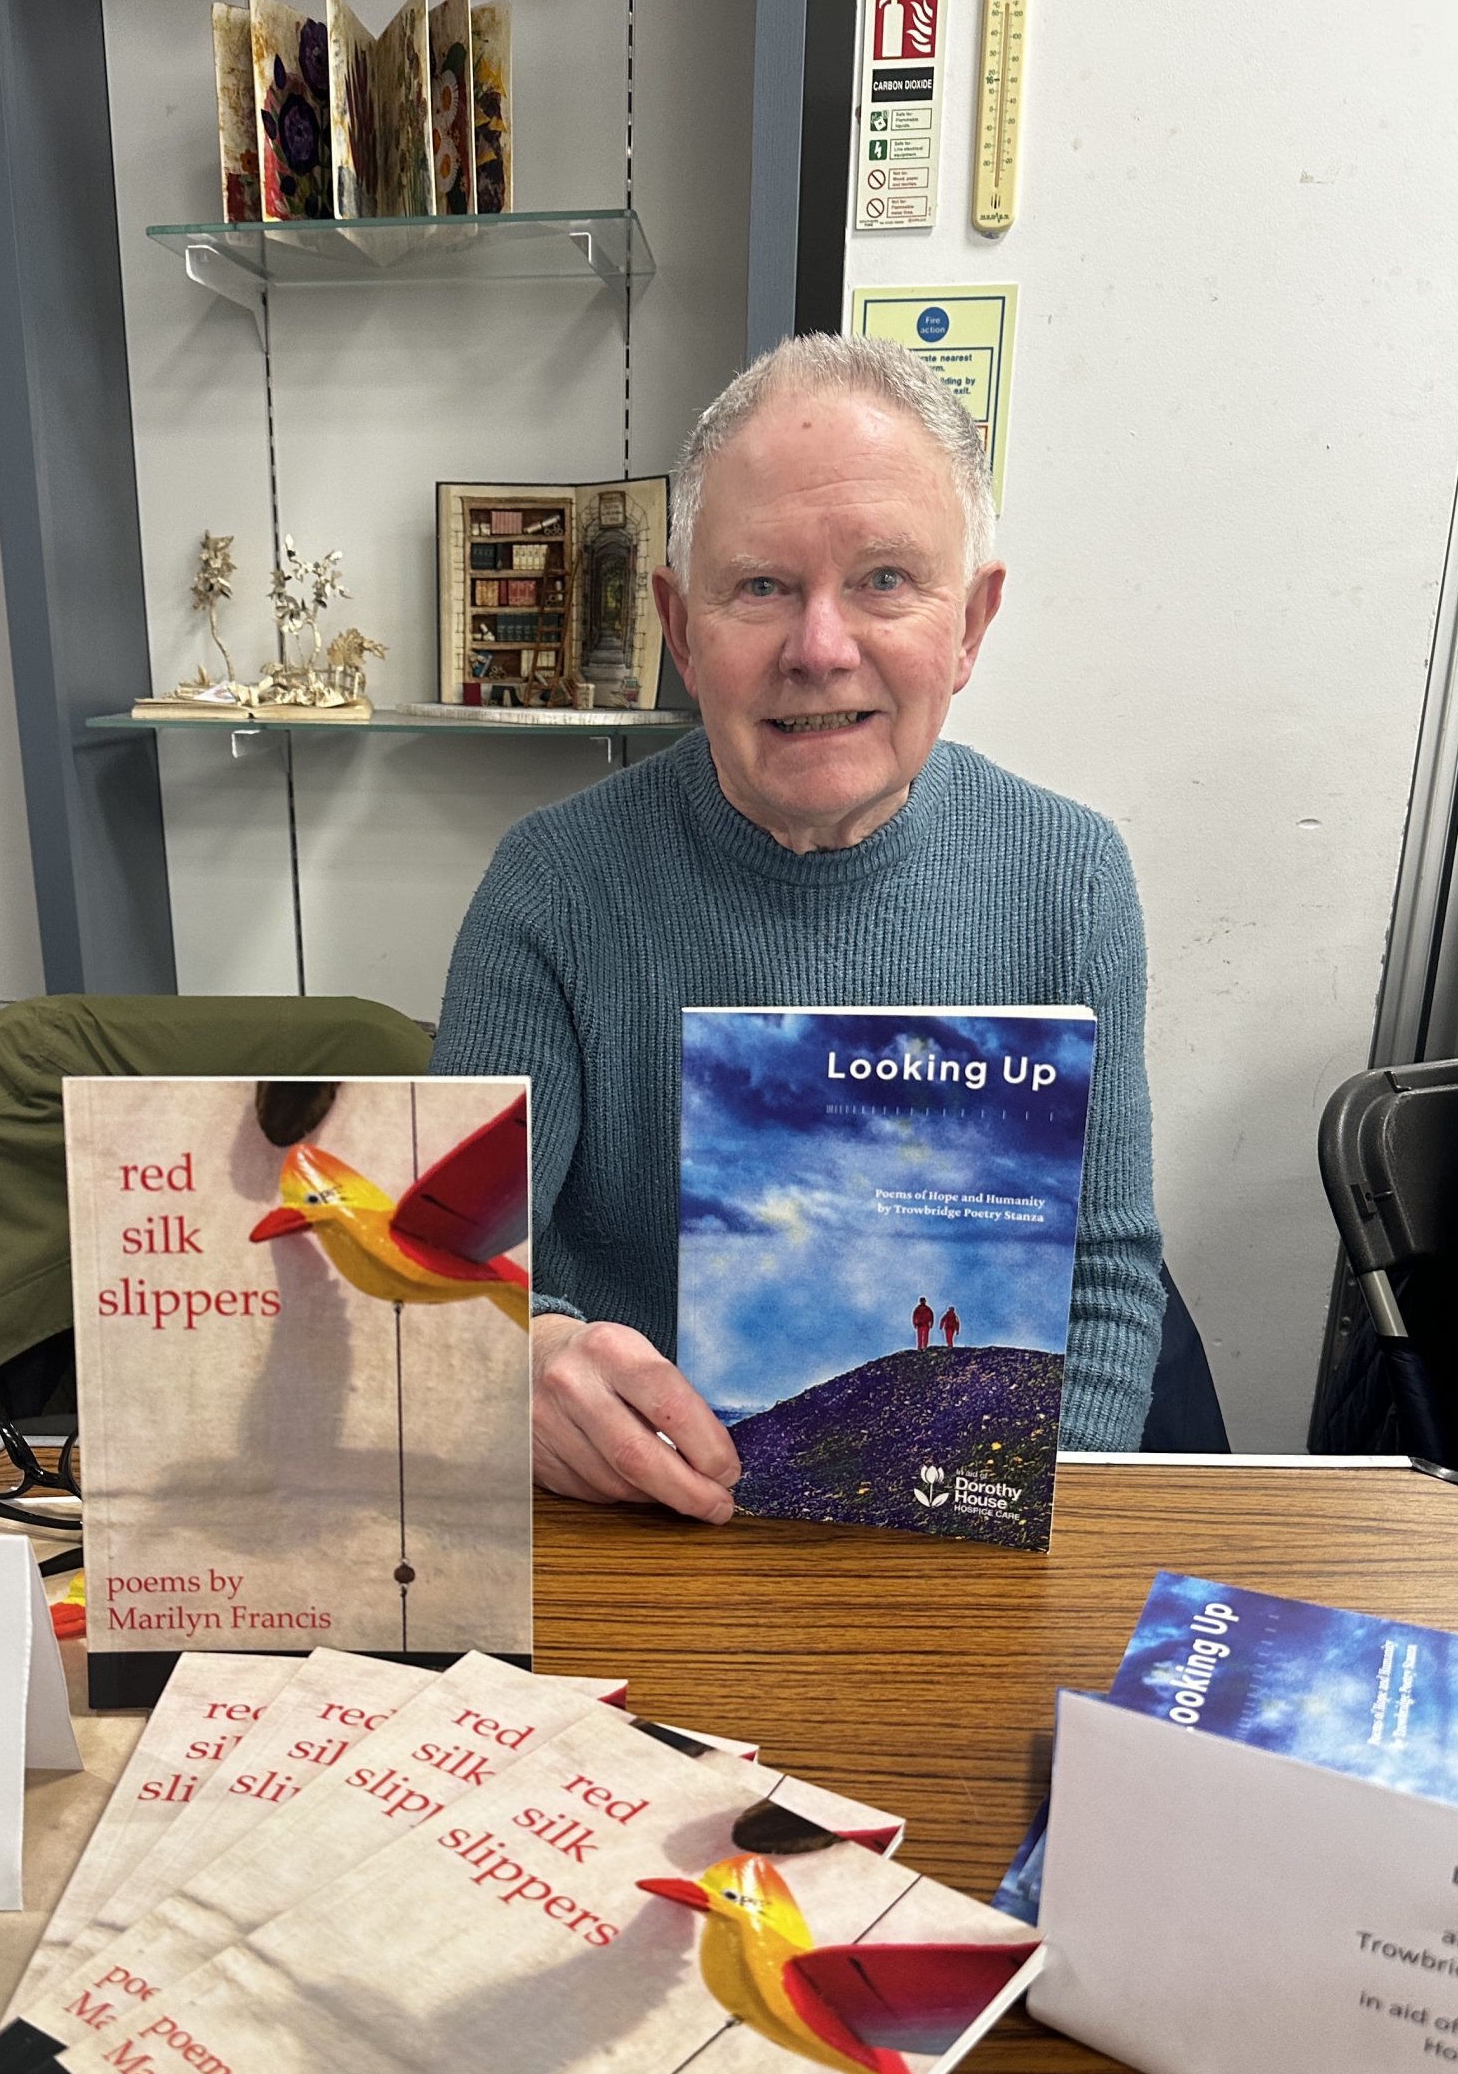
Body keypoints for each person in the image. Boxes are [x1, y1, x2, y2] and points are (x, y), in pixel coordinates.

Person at [431, 331, 1165, 1522]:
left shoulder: (1072, 878)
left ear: (970, 625)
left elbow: (1109, 1279)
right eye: (762, 586)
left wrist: (1018, 1529)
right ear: (679, 624)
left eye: (884, 579)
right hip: (623, 1520)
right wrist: (521, 1359)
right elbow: (445, 1267)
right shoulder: (551, 884)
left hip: (963, 1535)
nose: (820, 650)